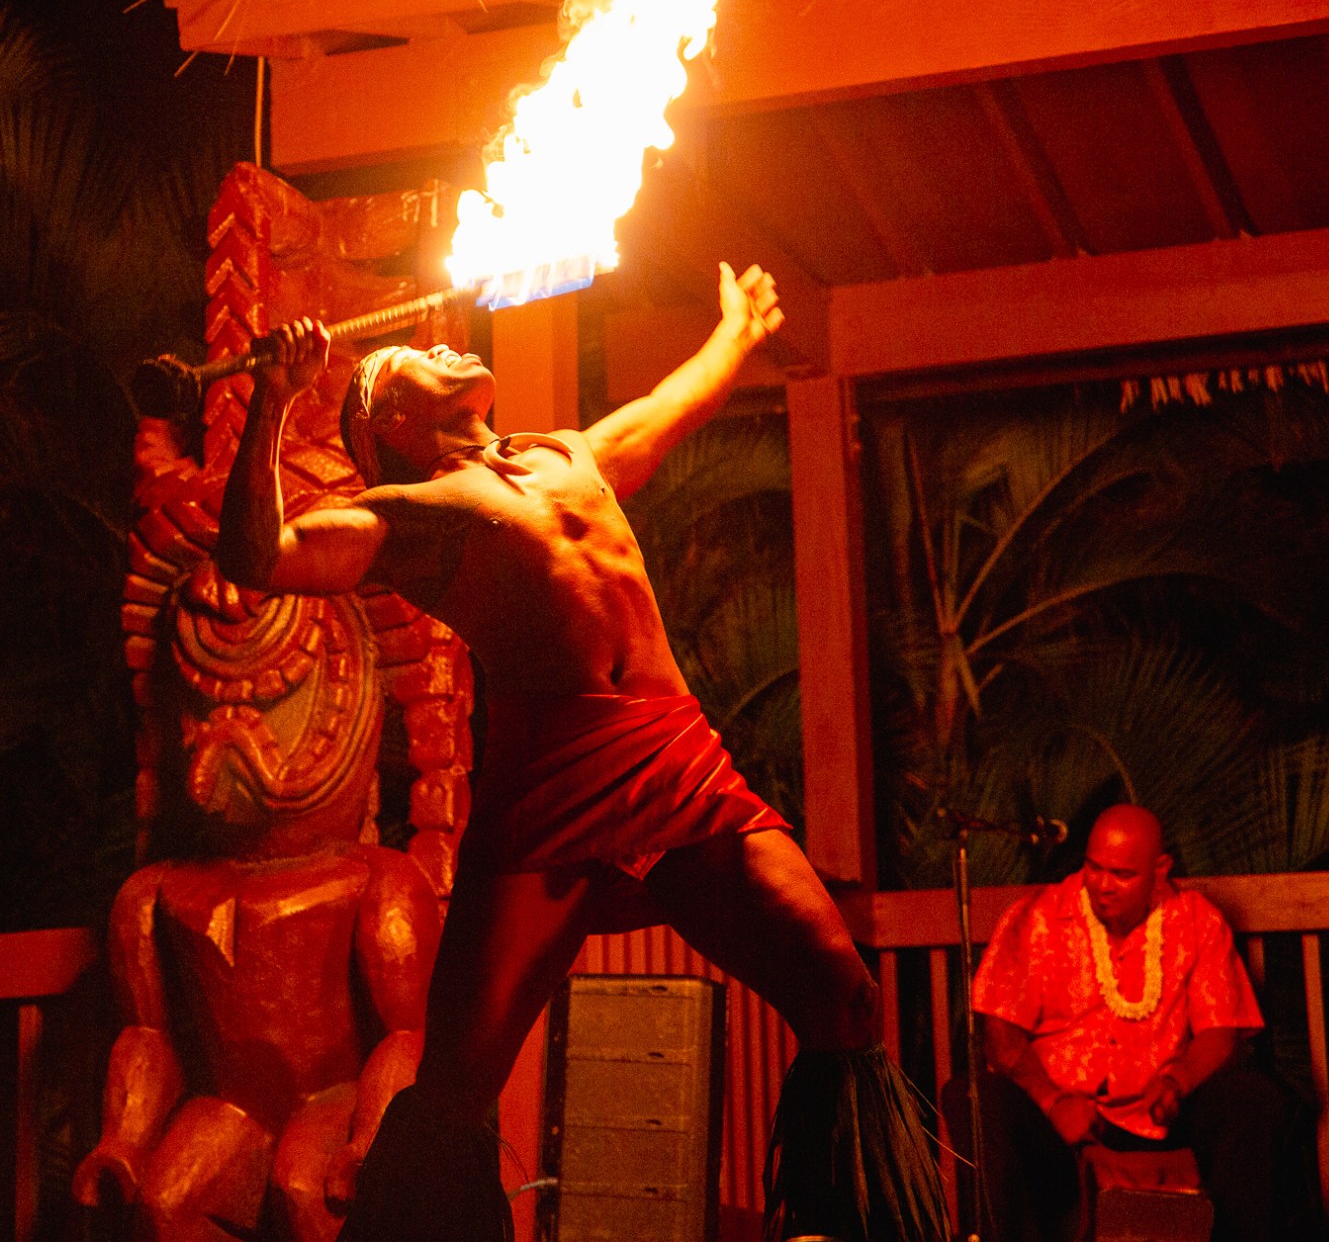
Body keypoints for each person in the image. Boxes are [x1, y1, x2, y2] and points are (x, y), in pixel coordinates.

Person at [217, 264, 949, 1242]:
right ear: (387, 423)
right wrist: (270, 398)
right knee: (452, 1092)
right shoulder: (407, 516)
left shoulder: (566, 452)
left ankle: (863, 1224)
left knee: (845, 998)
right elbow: (258, 556)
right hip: (549, 792)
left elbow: (660, 413)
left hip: (671, 755)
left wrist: (735, 331)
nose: (446, 343)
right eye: (416, 360)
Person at [947, 804, 1286, 1242]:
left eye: (1122, 875)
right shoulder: (1037, 917)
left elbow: (1221, 1030)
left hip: (1164, 1117)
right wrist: (1051, 1103)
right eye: (1094, 868)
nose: (1103, 886)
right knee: (970, 1095)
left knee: (1251, 1098)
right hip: (1062, 1129)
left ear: (1160, 869)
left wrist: (1179, 1080)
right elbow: (1002, 1036)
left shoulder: (1196, 920)